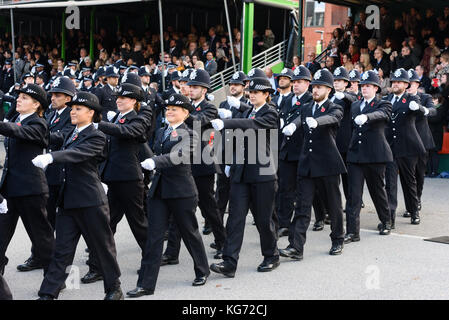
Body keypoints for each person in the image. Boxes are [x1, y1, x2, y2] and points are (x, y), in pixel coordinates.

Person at [34, 92, 123, 300]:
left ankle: (114, 289)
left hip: (90, 201)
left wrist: (51, 157)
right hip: (69, 201)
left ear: (91, 113)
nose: (73, 112)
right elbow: (52, 137)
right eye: (72, 108)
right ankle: (48, 293)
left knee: (102, 247)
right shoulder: (71, 133)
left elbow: (79, 154)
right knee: (62, 250)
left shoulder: (97, 135)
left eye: (78, 109)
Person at [127, 94, 210, 297]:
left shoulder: (190, 134)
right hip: (160, 190)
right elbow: (153, 152)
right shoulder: (163, 131)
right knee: (154, 237)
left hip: (181, 191)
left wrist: (156, 162)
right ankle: (145, 284)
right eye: (168, 108)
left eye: (174, 108)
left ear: (185, 113)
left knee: (189, 232)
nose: (169, 111)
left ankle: (202, 269)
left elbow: (179, 155)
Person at [210, 76, 280, 277]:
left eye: (257, 92)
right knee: (235, 218)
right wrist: (232, 163)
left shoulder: (270, 112)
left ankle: (271, 255)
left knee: (263, 220)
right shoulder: (249, 110)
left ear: (266, 95)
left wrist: (226, 122)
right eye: (251, 92)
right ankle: (229, 262)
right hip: (242, 172)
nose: (252, 95)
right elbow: (241, 140)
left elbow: (251, 126)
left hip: (262, 174)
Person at [280, 69, 346, 259]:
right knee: (302, 206)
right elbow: (300, 119)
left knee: (333, 205)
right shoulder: (307, 107)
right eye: (315, 87)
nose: (316, 90)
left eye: (320, 87)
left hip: (327, 164)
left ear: (329, 90)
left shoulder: (334, 107)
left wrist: (317, 122)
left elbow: (333, 118)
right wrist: (293, 125)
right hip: (307, 164)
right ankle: (296, 246)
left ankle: (337, 239)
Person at [0, 84, 55, 276]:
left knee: (42, 238)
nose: (18, 99)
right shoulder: (17, 118)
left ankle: (54, 277)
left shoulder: (39, 124)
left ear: (36, 104)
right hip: (9, 189)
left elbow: (17, 132)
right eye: (19, 96)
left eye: (24, 97)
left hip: (31, 190)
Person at [344, 70, 394, 243]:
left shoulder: (384, 104)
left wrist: (367, 117)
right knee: (353, 195)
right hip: (356, 156)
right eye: (362, 86)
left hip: (375, 155)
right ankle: (352, 232)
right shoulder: (356, 105)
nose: (364, 89)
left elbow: (383, 115)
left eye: (368, 86)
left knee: (377, 191)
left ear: (375, 88)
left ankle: (386, 221)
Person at [384, 68, 427, 226]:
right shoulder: (387, 99)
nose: (395, 84)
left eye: (399, 82)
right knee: (390, 183)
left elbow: (424, 113)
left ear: (406, 84)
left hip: (408, 147)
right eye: (394, 82)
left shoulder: (411, 99)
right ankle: (390, 218)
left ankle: (414, 211)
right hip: (390, 147)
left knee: (409, 181)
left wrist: (419, 108)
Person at [277, 66, 313, 237]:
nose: (296, 85)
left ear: (307, 83)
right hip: (287, 150)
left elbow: (303, 118)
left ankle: (311, 219)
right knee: (285, 188)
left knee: (302, 190)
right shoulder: (287, 99)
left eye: (299, 82)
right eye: (295, 82)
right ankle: (283, 223)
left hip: (302, 149)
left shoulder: (310, 99)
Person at [406, 69, 436, 214]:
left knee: (419, 173)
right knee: (407, 175)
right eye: (408, 83)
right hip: (406, 141)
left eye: (412, 83)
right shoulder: (402, 98)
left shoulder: (425, 97)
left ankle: (416, 199)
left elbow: (433, 110)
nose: (409, 86)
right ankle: (410, 204)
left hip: (422, 140)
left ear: (417, 84)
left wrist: (422, 109)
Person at [428, 94, 448, 176]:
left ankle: (434, 171)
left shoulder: (441, 109)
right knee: (428, 153)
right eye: (432, 99)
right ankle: (429, 172)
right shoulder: (431, 109)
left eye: (434, 99)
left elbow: (436, 119)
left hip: (437, 134)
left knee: (434, 153)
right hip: (429, 133)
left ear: (438, 100)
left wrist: (426, 117)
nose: (433, 100)